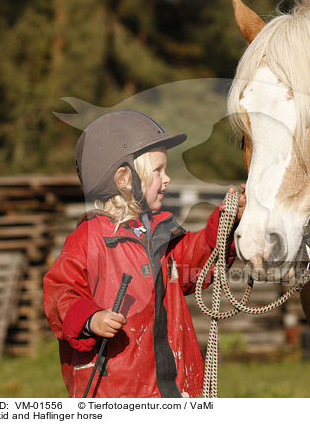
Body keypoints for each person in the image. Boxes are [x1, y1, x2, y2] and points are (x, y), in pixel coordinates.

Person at [43, 110, 245, 398]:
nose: (168, 179)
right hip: (116, 392)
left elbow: (194, 264)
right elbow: (60, 291)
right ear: (124, 179)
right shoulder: (90, 239)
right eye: (158, 170)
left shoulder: (161, 233)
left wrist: (226, 220)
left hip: (174, 386)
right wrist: (91, 319)